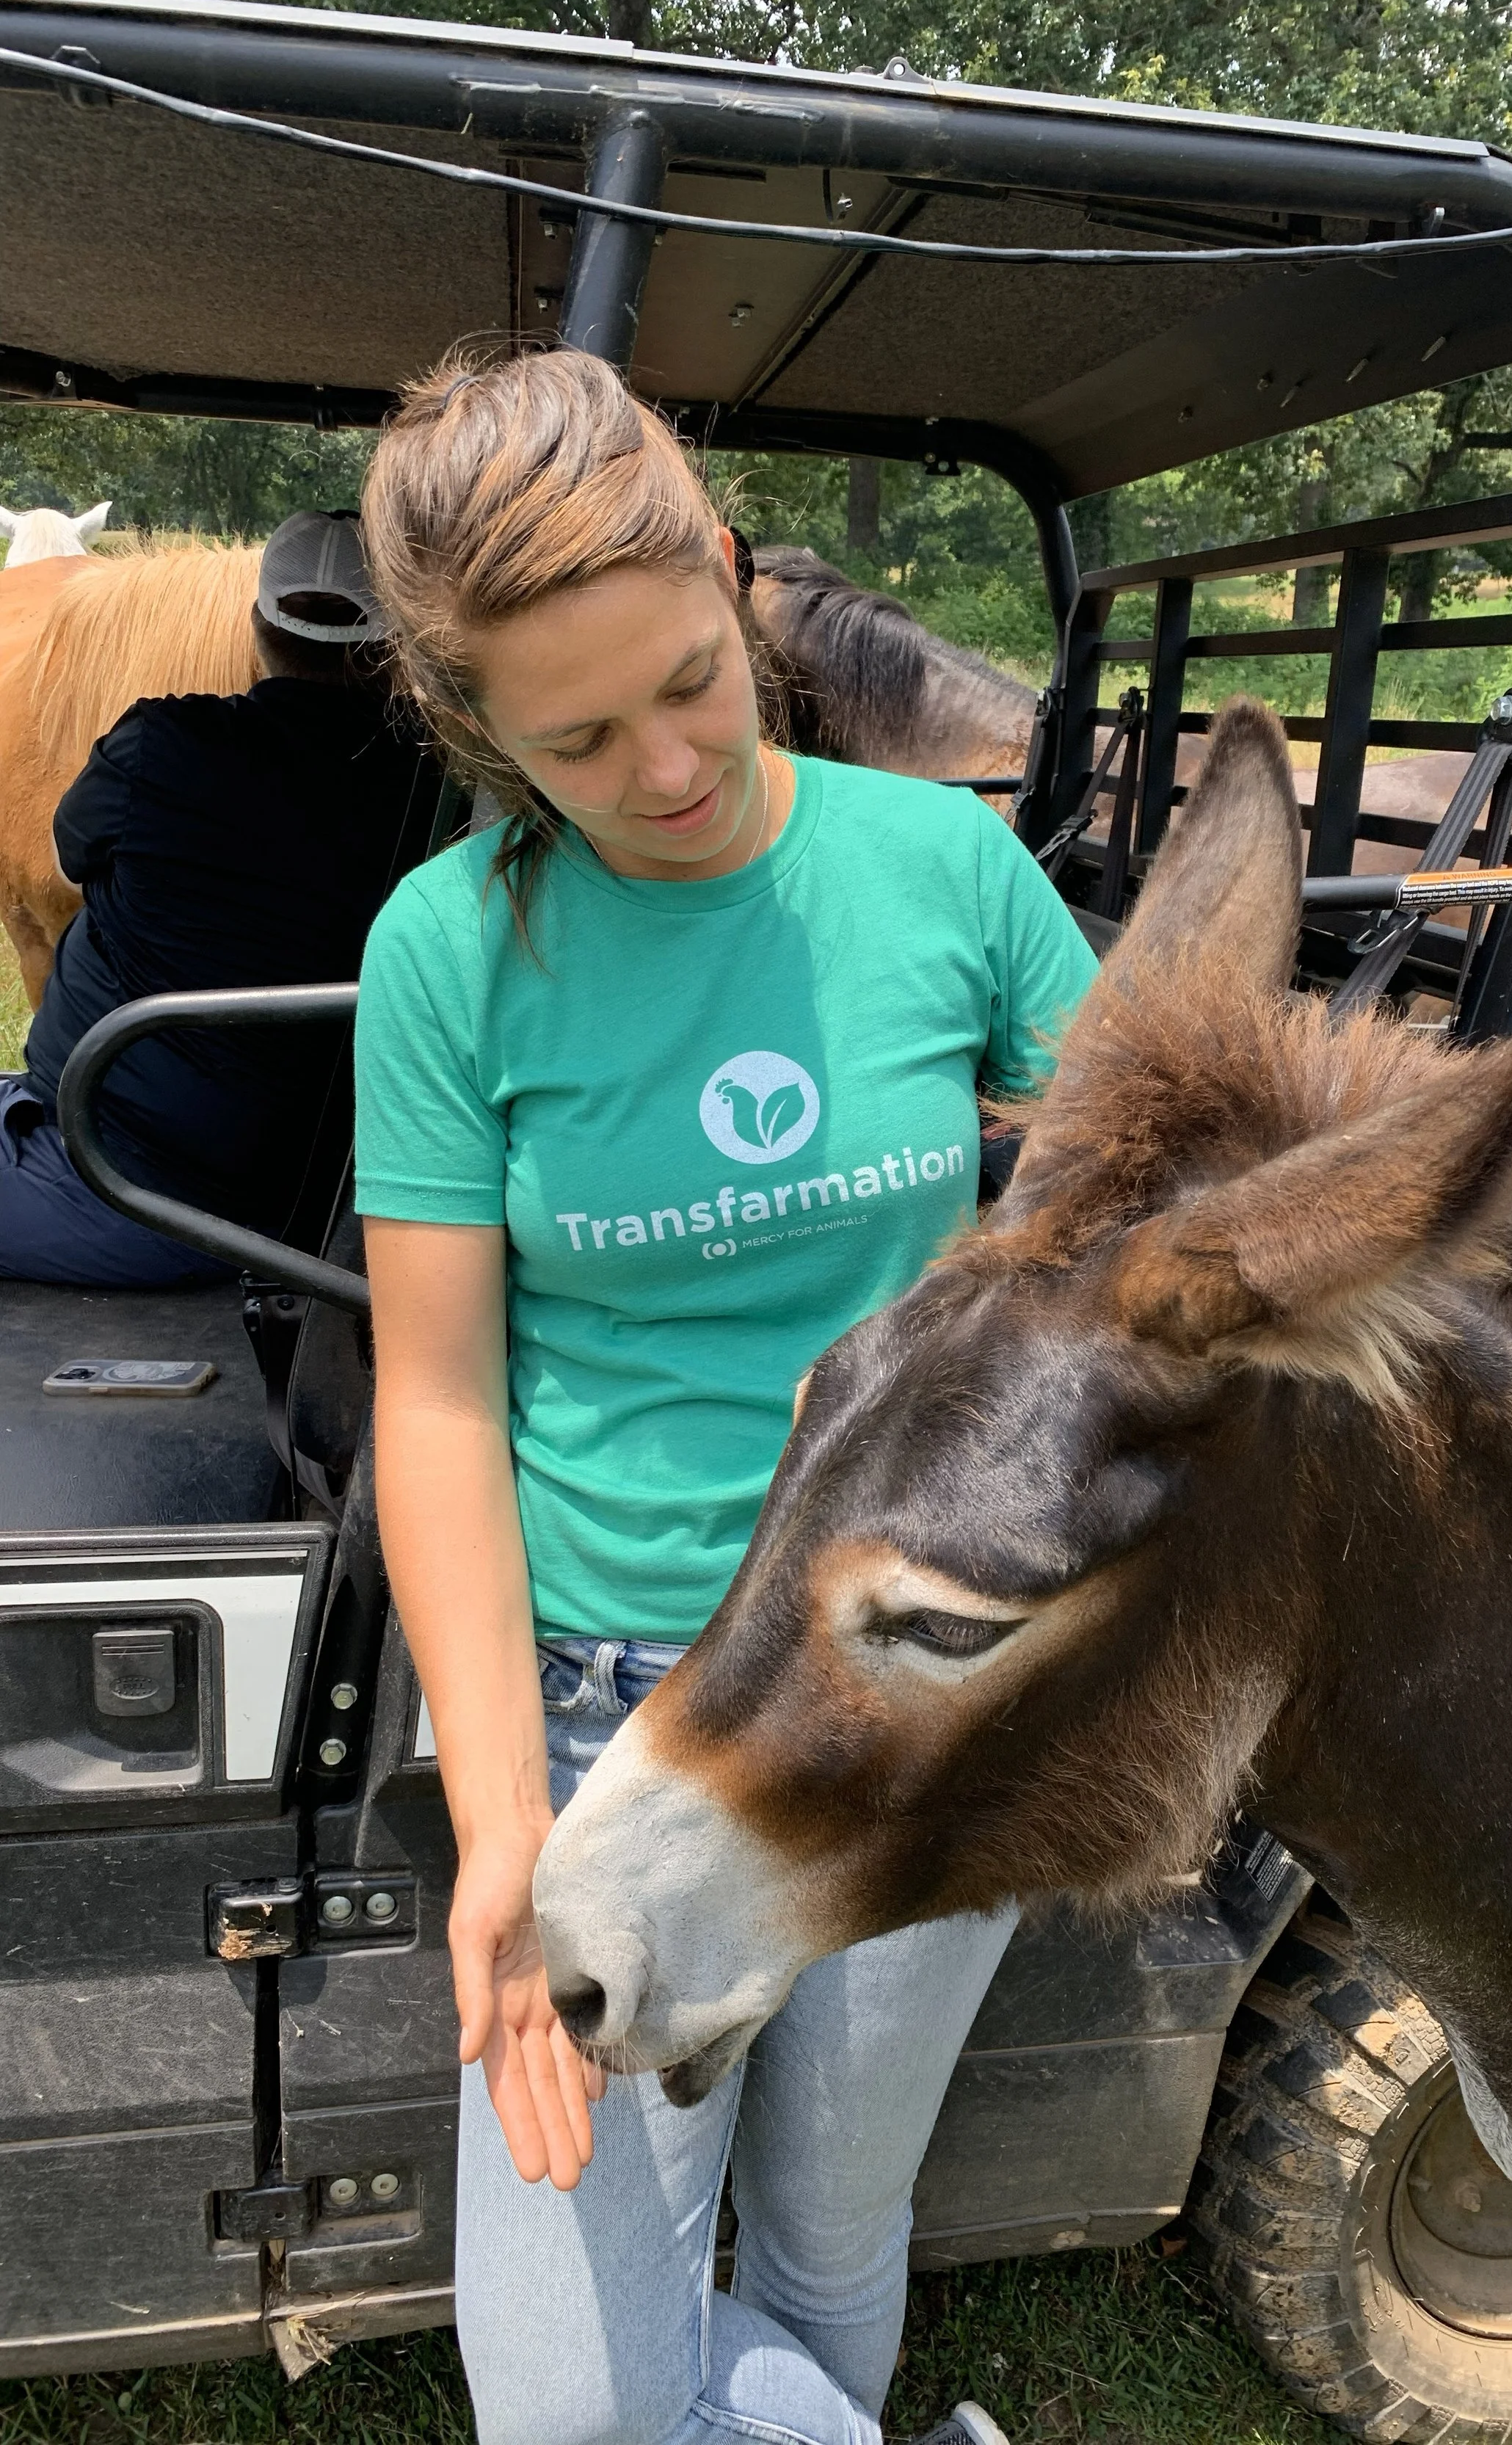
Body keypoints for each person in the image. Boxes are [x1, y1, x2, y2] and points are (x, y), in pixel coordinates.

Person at [353, 346, 1097, 2445]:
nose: (668, 766)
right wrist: (503, 1826)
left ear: (731, 575)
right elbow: (436, 1403)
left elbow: (1133, 1219)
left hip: (914, 1700)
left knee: (833, 2229)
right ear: (475, 729)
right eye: (576, 740)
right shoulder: (450, 953)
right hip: (610, 1715)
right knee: (572, 2404)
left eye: (692, 681)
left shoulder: (944, 872)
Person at [0, 510, 428, 1287]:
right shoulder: (431, 787)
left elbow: (67, 865)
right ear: (393, 645)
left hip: (123, 1183)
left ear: (259, 632)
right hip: (317, 1179)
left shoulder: (160, 745)